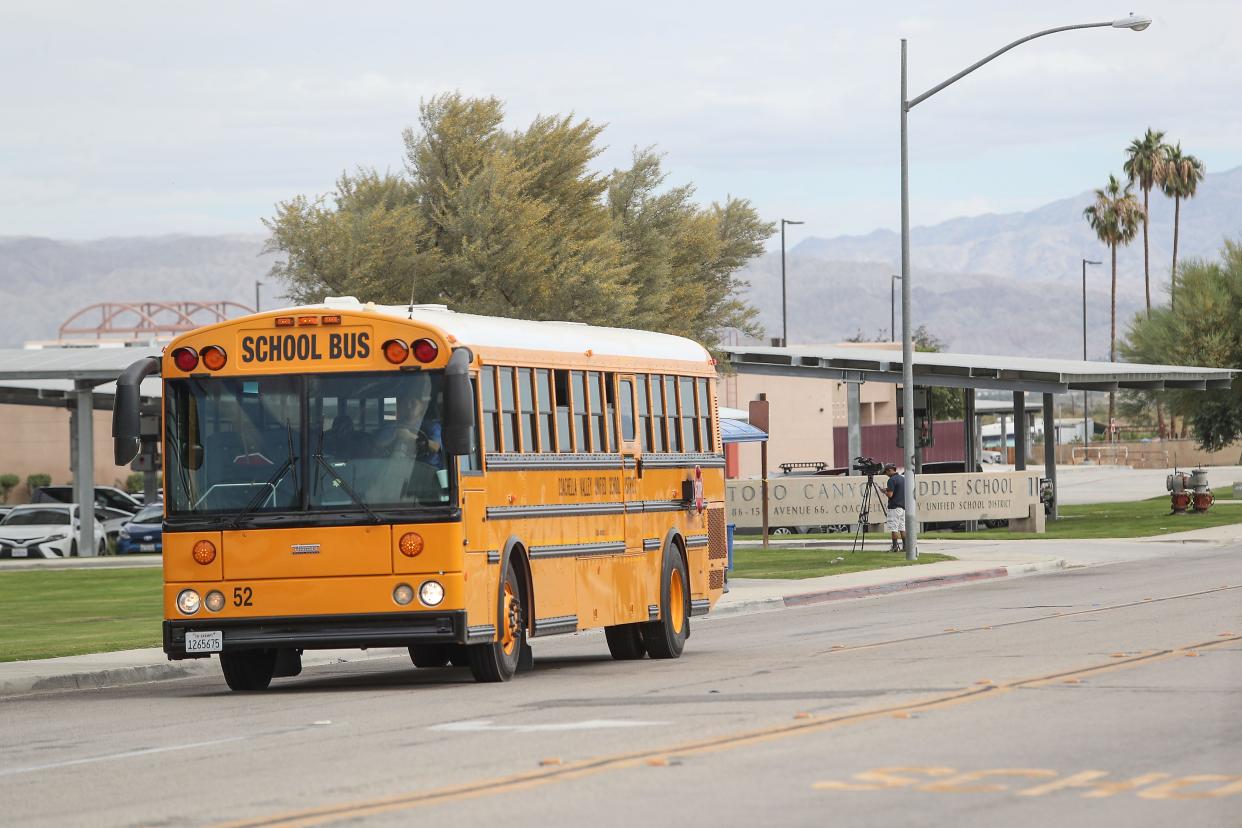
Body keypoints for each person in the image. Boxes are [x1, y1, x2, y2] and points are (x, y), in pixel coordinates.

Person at [376, 376, 443, 469]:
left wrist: (410, 437)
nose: (408, 406)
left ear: (422, 407)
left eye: (413, 403)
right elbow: (378, 443)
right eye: (405, 403)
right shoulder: (394, 425)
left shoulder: (432, 427)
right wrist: (395, 435)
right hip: (397, 468)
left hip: (427, 470)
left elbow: (436, 448)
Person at [883, 462, 906, 553]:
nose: (886, 474)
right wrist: (887, 490)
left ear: (890, 470)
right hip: (902, 507)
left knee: (894, 528)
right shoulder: (902, 479)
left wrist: (884, 492)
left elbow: (890, 494)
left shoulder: (891, 480)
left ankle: (895, 547)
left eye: (886, 472)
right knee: (902, 527)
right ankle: (905, 547)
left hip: (894, 507)